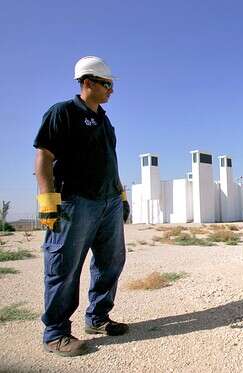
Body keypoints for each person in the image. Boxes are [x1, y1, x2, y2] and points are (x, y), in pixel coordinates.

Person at [34, 56, 129, 357]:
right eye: (107, 84)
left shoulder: (105, 120)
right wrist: (48, 201)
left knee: (111, 262)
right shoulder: (62, 113)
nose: (111, 90)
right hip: (76, 203)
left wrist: (121, 196)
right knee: (64, 267)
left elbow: (110, 162)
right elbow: (44, 158)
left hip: (108, 203)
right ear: (87, 83)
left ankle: (98, 318)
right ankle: (56, 333)